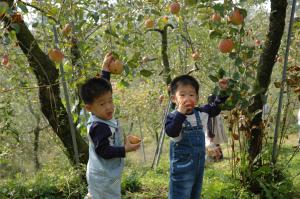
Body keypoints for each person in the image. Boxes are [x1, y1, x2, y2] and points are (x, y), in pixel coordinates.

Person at [80, 53, 140, 199]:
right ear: (89, 108)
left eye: (110, 101)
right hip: (102, 178)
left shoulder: (96, 113)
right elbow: (104, 151)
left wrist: (105, 70)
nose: (109, 107)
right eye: (102, 104)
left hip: (106, 175)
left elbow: (103, 89)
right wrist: (125, 149)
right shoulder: (98, 126)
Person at [165, 75, 228, 199]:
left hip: (199, 166)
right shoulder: (173, 117)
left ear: (197, 98)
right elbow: (171, 131)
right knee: (180, 195)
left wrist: (222, 91)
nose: (187, 98)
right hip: (181, 169)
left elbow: (215, 108)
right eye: (182, 95)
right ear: (174, 99)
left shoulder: (201, 113)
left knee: (195, 194)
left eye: (191, 95)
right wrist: (180, 113)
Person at [206, 95, 228, 161]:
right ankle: (217, 156)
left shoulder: (214, 109)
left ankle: (217, 156)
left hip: (214, 128)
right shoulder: (212, 109)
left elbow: (212, 121)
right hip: (214, 128)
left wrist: (210, 131)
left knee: (215, 141)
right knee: (214, 142)